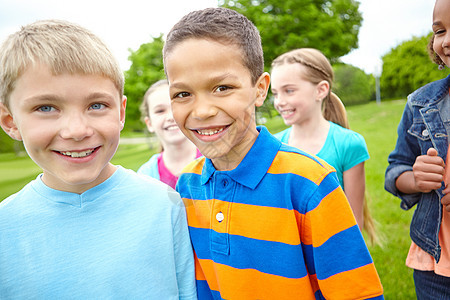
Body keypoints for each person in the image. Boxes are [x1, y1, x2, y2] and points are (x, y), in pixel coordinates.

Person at [163, 7, 384, 299]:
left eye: (222, 87)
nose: (202, 111)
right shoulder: (187, 186)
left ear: (260, 89)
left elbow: (356, 293)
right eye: (183, 94)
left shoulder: (310, 183)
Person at [0, 20, 196, 299]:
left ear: (120, 113)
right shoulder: (5, 228)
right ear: (10, 121)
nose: (77, 130)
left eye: (96, 105)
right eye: (46, 107)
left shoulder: (166, 206)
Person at [270, 48, 378, 244]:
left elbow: (354, 223)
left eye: (289, 91)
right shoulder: (273, 145)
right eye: (275, 93)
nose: (280, 102)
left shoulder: (348, 144)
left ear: (320, 90)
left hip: (330, 254)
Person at [385, 0, 450, 298]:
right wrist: (416, 178)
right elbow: (395, 169)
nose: (445, 40)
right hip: (435, 266)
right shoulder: (421, 104)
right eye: (439, 30)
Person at [137, 79, 201, 189]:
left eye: (175, 107)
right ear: (149, 123)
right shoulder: (145, 176)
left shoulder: (215, 161)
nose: (170, 117)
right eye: (160, 111)